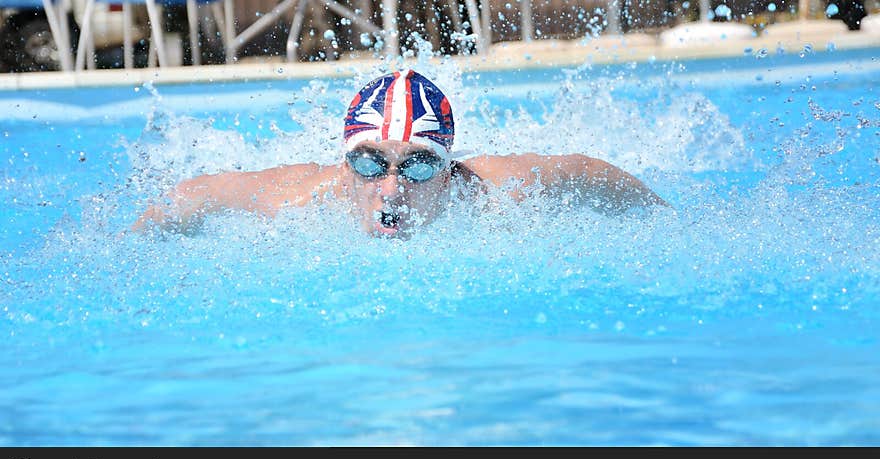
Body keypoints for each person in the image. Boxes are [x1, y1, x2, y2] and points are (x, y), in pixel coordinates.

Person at [132, 69, 666, 237]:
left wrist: (666, 220)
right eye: (369, 163)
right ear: (346, 164)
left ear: (449, 168)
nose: (391, 188)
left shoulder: (497, 192)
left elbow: (589, 172)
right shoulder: (302, 201)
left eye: (419, 164)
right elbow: (193, 195)